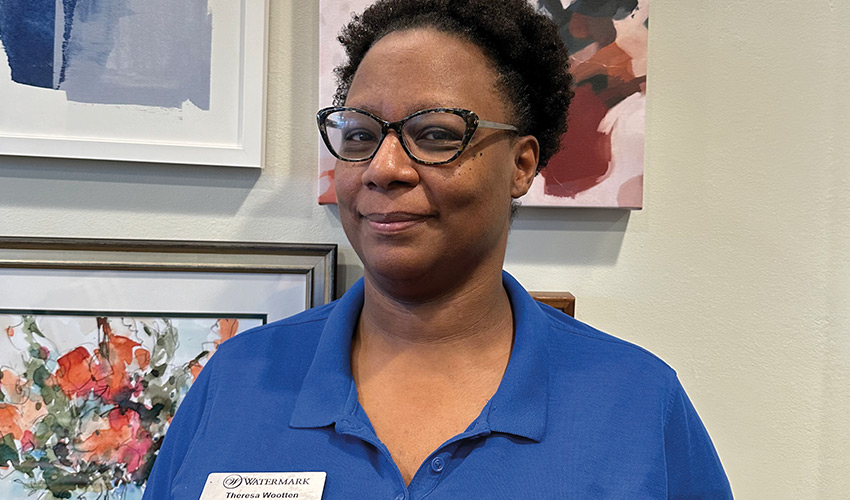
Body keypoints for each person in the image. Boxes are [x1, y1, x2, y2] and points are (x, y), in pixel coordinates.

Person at [142, 0, 733, 498]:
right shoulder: (236, 382)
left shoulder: (637, 405)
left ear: (522, 165)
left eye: (435, 134)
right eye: (360, 135)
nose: (384, 167)